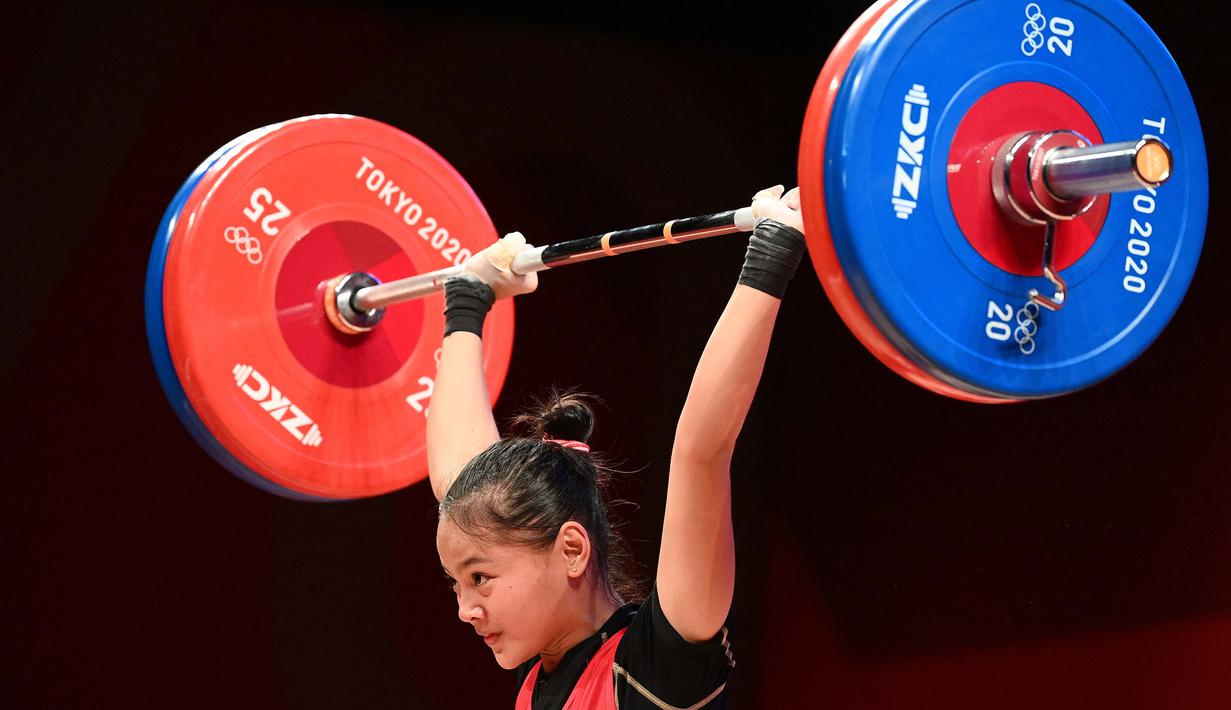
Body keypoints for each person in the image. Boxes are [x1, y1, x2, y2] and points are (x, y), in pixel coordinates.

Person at [427, 185, 807, 709]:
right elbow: (459, 485)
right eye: (457, 583)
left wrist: (775, 250)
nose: (465, 609)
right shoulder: (542, 675)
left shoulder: (657, 670)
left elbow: (702, 449)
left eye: (479, 578)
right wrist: (466, 302)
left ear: (573, 550)